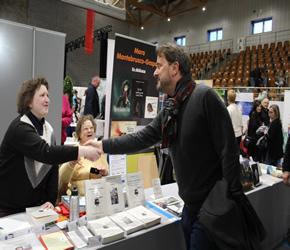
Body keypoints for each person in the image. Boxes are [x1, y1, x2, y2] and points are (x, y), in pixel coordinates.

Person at [85, 43, 242, 249]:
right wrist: (102, 145)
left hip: (210, 212)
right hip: (189, 209)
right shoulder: (171, 108)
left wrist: (226, 204)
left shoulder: (205, 97)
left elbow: (229, 152)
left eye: (159, 66)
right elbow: (141, 138)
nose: (155, 72)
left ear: (175, 68)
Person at [0, 76, 100, 217]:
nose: (47, 99)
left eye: (47, 95)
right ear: (29, 101)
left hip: (34, 208)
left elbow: (53, 167)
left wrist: (50, 200)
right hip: (8, 210)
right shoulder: (20, 128)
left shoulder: (49, 129)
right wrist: (84, 150)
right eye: (42, 95)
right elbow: (46, 153)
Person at [58, 115, 109, 202]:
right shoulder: (74, 151)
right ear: (79, 133)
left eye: (91, 128)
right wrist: (71, 163)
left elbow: (107, 173)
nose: (89, 131)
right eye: (85, 128)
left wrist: (104, 172)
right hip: (77, 199)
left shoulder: (99, 151)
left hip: (98, 198)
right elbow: (62, 178)